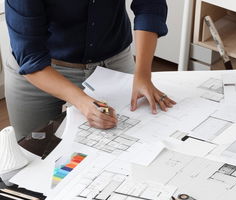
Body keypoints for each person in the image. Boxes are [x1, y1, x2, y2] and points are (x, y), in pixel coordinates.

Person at [5, 0, 176, 140]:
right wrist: (82, 102)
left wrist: (143, 74)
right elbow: (30, 57)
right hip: (41, 72)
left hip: (113, 61)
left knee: (126, 141)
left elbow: (150, 4)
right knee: (31, 152)